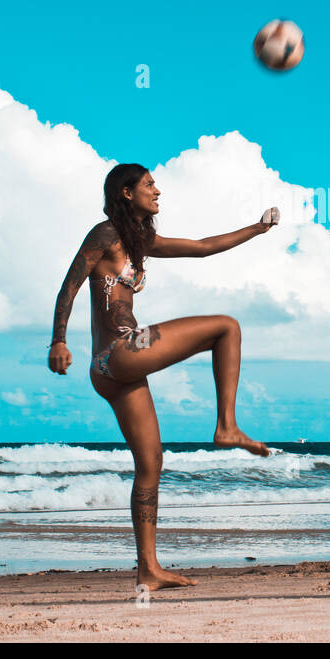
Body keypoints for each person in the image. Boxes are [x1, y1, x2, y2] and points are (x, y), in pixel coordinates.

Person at [48, 163, 279, 590]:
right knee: (226, 327)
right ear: (126, 192)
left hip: (111, 370)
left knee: (150, 463)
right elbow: (69, 287)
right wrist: (58, 341)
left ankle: (147, 569)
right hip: (120, 350)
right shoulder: (104, 234)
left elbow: (203, 247)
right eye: (149, 185)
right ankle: (226, 426)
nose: (157, 191)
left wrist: (258, 228)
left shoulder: (139, 242)